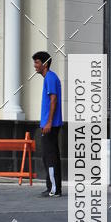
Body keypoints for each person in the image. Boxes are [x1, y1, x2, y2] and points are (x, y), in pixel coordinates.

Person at [33, 51, 63, 197]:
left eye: (37, 62)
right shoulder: (49, 78)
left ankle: (54, 189)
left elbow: (53, 100)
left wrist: (49, 122)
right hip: (49, 124)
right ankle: (52, 187)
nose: (35, 65)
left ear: (45, 64)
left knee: (49, 157)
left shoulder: (50, 78)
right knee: (50, 156)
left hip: (50, 125)